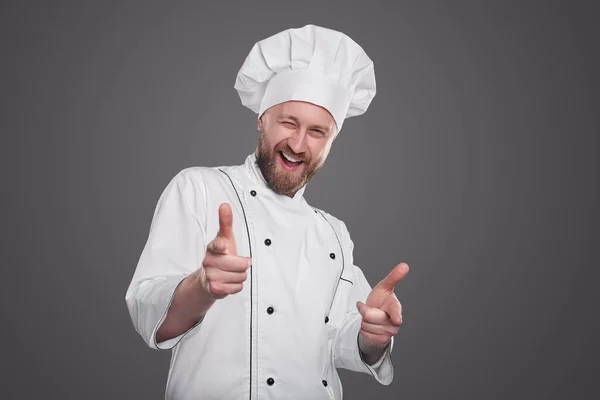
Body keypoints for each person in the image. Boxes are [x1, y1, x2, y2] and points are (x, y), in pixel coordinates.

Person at [125, 24, 409, 400]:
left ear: (331, 141)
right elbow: (147, 311)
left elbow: (338, 342)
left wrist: (371, 337)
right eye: (288, 123)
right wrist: (202, 286)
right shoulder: (199, 188)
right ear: (262, 120)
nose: (297, 143)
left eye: (317, 132)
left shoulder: (333, 233)